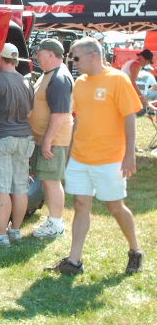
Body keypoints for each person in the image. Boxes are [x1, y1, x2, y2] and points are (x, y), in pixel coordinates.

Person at [46, 37, 144, 274]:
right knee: (81, 204)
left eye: (76, 57)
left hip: (110, 158)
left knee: (115, 207)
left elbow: (130, 117)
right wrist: (70, 153)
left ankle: (135, 250)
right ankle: (74, 261)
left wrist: (129, 154)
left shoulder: (117, 79)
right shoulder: (80, 83)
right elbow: (78, 119)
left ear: (92, 55)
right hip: (81, 157)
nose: (73, 62)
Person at [0, 43, 35, 246]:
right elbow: (30, 114)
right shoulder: (27, 83)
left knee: (1, 188)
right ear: (16, 60)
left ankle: (1, 236)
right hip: (23, 139)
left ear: (0, 59)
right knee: (20, 187)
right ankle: (16, 231)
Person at [29, 39, 74, 238]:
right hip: (43, 138)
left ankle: (56, 225)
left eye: (39, 53)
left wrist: (48, 140)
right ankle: (53, 221)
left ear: (50, 54)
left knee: (51, 180)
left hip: (53, 140)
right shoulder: (48, 75)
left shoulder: (59, 78)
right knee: (47, 180)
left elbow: (60, 114)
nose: (37, 56)